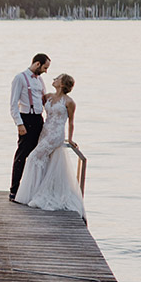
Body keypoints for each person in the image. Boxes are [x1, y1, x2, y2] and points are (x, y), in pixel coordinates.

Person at [14, 73, 84, 216]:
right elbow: (32, 98)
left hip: (56, 134)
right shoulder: (48, 96)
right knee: (43, 161)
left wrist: (70, 139)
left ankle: (29, 194)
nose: (54, 79)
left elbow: (71, 122)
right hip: (45, 131)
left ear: (63, 84)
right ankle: (38, 191)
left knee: (33, 157)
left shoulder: (69, 102)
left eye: (57, 78)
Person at [9, 53, 50, 200]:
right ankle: (14, 190)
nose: (46, 71)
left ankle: (31, 189)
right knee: (22, 156)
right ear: (37, 64)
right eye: (45, 67)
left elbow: (44, 100)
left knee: (37, 156)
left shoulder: (40, 81)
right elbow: (13, 104)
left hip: (39, 120)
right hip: (26, 119)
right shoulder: (20, 78)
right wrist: (19, 123)